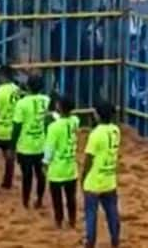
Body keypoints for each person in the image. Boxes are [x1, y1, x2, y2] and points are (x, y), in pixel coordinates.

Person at [82, 100, 121, 248]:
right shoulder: (116, 130)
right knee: (112, 213)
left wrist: (84, 177)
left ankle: (90, 242)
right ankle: (115, 240)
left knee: (91, 214)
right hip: (109, 178)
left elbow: (89, 159)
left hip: (94, 180)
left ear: (98, 115)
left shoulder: (96, 134)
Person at [12, 75, 51, 208]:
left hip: (25, 145)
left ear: (27, 86)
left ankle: (25, 201)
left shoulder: (21, 103)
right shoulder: (46, 100)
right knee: (40, 174)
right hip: (41, 143)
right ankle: (39, 199)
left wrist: (13, 145)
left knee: (27, 176)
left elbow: (17, 126)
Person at [44, 96, 79, 229]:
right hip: (71, 167)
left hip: (57, 169)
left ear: (59, 107)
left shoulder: (54, 127)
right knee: (71, 198)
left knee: (57, 198)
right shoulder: (75, 121)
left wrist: (45, 162)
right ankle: (72, 221)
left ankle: (59, 221)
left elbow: (49, 147)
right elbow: (70, 119)